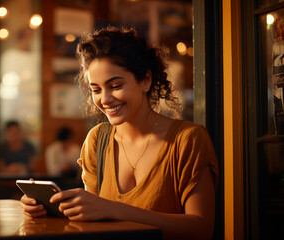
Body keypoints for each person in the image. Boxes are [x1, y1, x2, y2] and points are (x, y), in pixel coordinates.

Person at [21, 26, 218, 239]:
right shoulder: (97, 140)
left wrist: (113, 209)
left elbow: (201, 228)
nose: (104, 99)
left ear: (146, 80)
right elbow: (91, 222)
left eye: (115, 85)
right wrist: (50, 211)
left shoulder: (187, 139)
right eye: (96, 89)